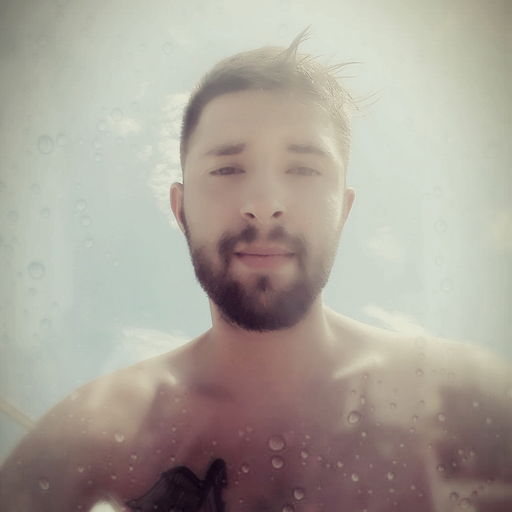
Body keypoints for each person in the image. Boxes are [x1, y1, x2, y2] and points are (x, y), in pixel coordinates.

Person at [1, 30, 511, 512]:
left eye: (303, 168)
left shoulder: (469, 401)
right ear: (180, 210)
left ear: (343, 209)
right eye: (227, 168)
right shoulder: (97, 433)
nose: (265, 203)